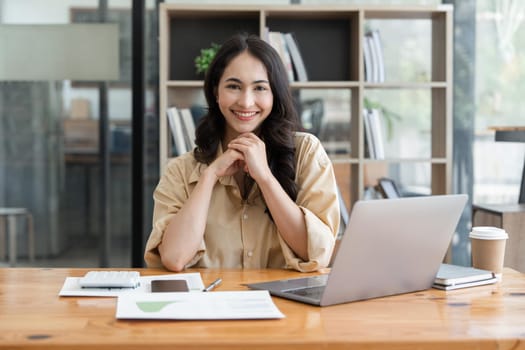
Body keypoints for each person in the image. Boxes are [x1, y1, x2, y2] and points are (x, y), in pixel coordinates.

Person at [144, 33, 340, 272]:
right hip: (211, 306)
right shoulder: (180, 170)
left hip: (288, 308)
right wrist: (210, 175)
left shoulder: (307, 153)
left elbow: (317, 253)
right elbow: (174, 258)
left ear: (274, 94)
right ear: (216, 92)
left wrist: (265, 178)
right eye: (234, 86)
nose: (246, 102)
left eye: (259, 88)